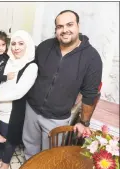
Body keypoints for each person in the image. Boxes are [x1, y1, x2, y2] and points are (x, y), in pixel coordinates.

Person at [23, 10, 103, 160]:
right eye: (60, 26)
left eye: (69, 24)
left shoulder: (92, 58)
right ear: (56, 30)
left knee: (52, 155)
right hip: (31, 110)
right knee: (29, 147)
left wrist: (84, 123)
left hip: (57, 118)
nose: (65, 30)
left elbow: (90, 95)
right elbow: (30, 72)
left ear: (78, 26)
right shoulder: (45, 46)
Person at [0, 30, 38, 169]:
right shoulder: (8, 60)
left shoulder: (31, 66)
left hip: (11, 111)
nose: (16, 47)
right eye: (14, 43)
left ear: (28, 45)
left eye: (21, 44)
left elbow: (18, 93)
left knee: (9, 138)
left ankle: (5, 163)